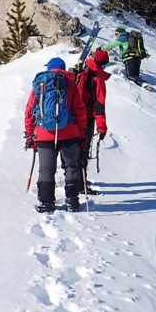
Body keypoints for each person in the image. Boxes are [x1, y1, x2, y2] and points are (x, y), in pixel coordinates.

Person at [24, 57, 88, 212]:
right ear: (64, 68)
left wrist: (30, 135)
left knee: (46, 170)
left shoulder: (40, 85)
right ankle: (72, 200)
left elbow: (29, 111)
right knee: (71, 167)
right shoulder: (71, 84)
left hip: (44, 134)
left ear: (49, 69)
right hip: (69, 133)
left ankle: (46, 202)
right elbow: (80, 110)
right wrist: (82, 133)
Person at [76, 49, 111, 193]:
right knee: (84, 149)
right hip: (87, 118)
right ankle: (81, 185)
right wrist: (102, 128)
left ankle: (76, 178)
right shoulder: (97, 79)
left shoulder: (84, 70)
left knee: (77, 149)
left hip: (75, 117)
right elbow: (99, 106)